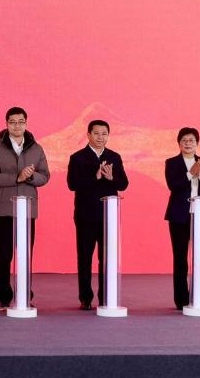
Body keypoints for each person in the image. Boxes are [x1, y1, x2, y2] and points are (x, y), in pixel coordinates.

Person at [0, 106, 50, 310]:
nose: (17, 126)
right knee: (4, 255)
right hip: (4, 209)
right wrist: (17, 177)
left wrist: (30, 177)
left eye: (21, 122)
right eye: (12, 122)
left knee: (25, 255)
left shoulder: (36, 148)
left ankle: (24, 295)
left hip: (27, 210)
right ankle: (4, 297)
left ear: (26, 123)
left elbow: (45, 176)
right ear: (6, 124)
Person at [66, 119, 129, 310]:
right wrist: (95, 177)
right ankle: (85, 298)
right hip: (85, 216)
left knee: (107, 258)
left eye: (104, 134)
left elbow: (123, 184)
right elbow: (72, 184)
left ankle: (105, 296)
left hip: (108, 217)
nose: (100, 137)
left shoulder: (114, 157)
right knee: (85, 257)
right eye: (96, 133)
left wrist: (111, 177)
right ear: (88, 135)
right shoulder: (78, 157)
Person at [163, 127, 200, 310]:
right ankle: (181, 299)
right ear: (179, 143)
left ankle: (198, 296)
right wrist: (189, 174)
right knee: (180, 258)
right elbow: (173, 185)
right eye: (184, 140)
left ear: (197, 143)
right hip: (179, 215)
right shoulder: (172, 162)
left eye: (191, 140)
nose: (188, 143)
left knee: (198, 257)